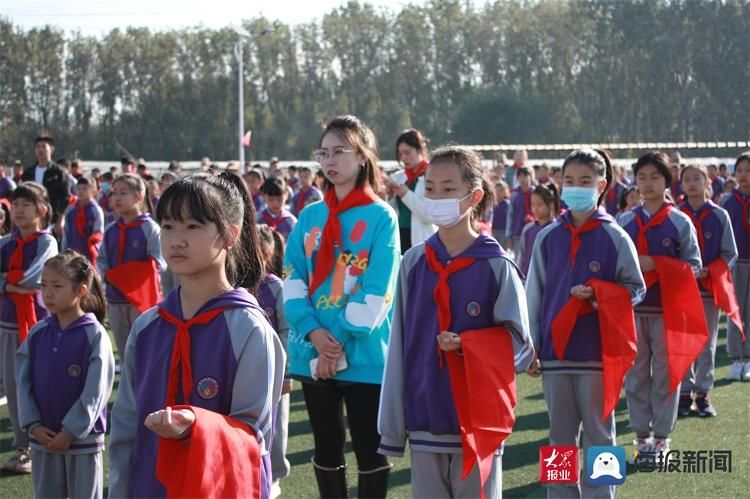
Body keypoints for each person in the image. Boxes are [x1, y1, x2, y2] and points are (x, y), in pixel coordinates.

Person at [109, 172, 285, 498]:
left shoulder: (248, 327)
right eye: (169, 226)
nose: (176, 239)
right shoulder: (148, 327)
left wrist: (197, 425)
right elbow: (124, 429)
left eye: (192, 226)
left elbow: (254, 434)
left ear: (230, 235)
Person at [379, 145, 533, 498]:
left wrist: (470, 345)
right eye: (430, 189)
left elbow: (521, 348)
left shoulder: (497, 265)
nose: (436, 198)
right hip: (425, 417)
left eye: (449, 189)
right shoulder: (413, 263)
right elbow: (399, 345)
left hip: (478, 424)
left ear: (473, 196)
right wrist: (392, 424)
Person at [284, 115, 400, 498]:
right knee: (326, 448)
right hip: (314, 352)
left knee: (370, 451)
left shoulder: (382, 216)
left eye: (340, 152)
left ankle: (583, 482)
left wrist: (336, 338)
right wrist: (316, 335)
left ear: (363, 157)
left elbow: (378, 289)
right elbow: (293, 277)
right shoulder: (310, 216)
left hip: (363, 353)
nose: (330, 161)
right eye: (324, 153)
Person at [525, 149, 645, 498]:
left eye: (585, 181)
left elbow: (635, 289)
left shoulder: (615, 237)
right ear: (559, 185)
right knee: (559, 438)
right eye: (570, 181)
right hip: (556, 355)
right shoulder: (547, 237)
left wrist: (599, 296)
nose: (576, 188)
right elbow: (534, 294)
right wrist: (532, 346)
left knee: (600, 433)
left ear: (601, 185)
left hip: (598, 354)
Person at [618, 151, 704, 456]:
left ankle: (662, 436)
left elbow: (694, 266)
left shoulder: (680, 222)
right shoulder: (624, 221)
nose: (648, 183)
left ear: (667, 181)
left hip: (668, 312)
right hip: (632, 312)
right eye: (642, 177)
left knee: (666, 375)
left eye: (655, 177)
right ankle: (642, 434)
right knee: (637, 374)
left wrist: (657, 263)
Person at [16, 250, 114, 498]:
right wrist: (33, 425)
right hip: (43, 437)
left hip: (83, 441)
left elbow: (96, 392)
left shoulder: (95, 335)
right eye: (44, 285)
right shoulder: (38, 332)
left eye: (57, 286)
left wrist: (70, 431)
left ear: (81, 290)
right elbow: (23, 382)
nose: (47, 293)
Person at [0, 182, 59, 473]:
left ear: (42, 210)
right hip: (8, 324)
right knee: (13, 385)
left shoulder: (46, 242)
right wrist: (11, 284)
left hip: (40, 323)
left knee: (39, 383)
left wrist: (8, 283)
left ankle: (44, 441)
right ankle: (23, 446)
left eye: (27, 204)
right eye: (16, 205)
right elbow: (21, 282)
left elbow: (34, 280)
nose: (19, 211)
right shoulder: (6, 243)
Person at [677, 165, 738, 416]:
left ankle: (702, 393)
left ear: (707, 182)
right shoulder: (675, 215)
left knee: (706, 342)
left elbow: (730, 254)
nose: (691, 183)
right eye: (686, 179)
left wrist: (709, 270)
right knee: (681, 342)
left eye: (696, 178)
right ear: (680, 185)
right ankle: (682, 392)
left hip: (708, 289)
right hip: (680, 291)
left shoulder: (719, 215)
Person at [98, 174, 165, 367]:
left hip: (140, 303)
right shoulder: (111, 229)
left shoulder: (150, 228)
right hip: (115, 300)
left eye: (123, 193)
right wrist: (108, 275)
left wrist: (129, 277)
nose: (117, 198)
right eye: (114, 193)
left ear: (139, 196)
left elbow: (159, 262)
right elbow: (102, 258)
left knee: (146, 351)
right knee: (125, 352)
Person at [257, 226, 292, 499]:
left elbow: (287, 329)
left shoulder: (276, 287)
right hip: (248, 366)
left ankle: (276, 473)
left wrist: (287, 370)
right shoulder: (234, 285)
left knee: (277, 424)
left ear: (267, 254)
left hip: (276, 369)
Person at [719, 152, 750, 380]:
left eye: (748, 171)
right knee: (735, 311)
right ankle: (736, 358)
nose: (743, 175)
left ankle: (748, 359)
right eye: (740, 170)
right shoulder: (727, 201)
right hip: (735, 263)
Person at [384, 129, 437, 253]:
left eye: (407, 153)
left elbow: (428, 215)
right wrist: (390, 196)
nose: (403, 158)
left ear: (419, 149)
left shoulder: (432, 176)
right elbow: (392, 212)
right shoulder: (398, 177)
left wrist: (406, 194)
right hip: (399, 236)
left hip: (423, 238)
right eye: (400, 154)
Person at [518, 184, 559, 277]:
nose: (535, 208)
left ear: (551, 205)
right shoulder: (528, 229)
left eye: (540, 204)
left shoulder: (558, 230)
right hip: (527, 279)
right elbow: (522, 257)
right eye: (533, 204)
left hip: (550, 280)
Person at [61, 177, 105, 266]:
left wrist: (94, 249)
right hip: (72, 250)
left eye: (85, 188)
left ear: (93, 190)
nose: (81, 191)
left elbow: (99, 233)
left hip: (89, 252)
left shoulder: (96, 210)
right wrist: (63, 251)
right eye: (79, 188)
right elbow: (66, 231)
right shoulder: (71, 209)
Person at [505, 166, 535, 256]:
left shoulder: (536, 192)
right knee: (519, 261)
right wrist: (508, 236)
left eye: (525, 176)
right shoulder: (515, 195)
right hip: (518, 233)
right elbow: (510, 216)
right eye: (520, 176)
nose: (523, 179)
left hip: (535, 232)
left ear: (531, 177)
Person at [491, 180, 511, 249]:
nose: (499, 192)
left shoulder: (508, 204)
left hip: (504, 232)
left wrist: (509, 236)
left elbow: (510, 220)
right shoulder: (492, 204)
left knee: (502, 250)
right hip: (493, 231)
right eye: (497, 190)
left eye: (501, 190)